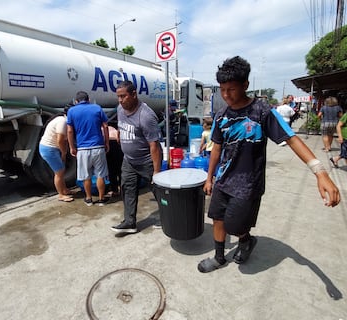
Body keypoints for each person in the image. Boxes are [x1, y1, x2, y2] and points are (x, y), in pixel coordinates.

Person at [197, 56, 340, 273]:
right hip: (224, 180)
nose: (226, 95)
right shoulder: (221, 115)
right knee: (217, 218)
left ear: (245, 85)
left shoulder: (261, 111)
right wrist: (210, 178)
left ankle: (246, 240)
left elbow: (291, 138)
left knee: (236, 226)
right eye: (222, 89)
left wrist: (319, 171)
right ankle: (219, 257)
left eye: (231, 89)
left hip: (248, 185)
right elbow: (216, 147)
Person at [110, 80, 162, 234]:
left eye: (123, 96)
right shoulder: (120, 108)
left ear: (133, 94)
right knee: (127, 190)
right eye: (118, 96)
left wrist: (157, 171)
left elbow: (155, 145)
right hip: (129, 160)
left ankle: (168, 217)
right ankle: (129, 222)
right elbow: (121, 124)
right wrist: (120, 134)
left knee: (159, 191)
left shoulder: (146, 116)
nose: (120, 100)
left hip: (147, 161)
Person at [67, 91, 110, 206]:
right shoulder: (97, 108)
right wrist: (107, 142)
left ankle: (89, 198)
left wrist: (72, 146)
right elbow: (105, 126)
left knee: (86, 175)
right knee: (100, 174)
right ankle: (101, 199)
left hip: (82, 149)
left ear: (76, 101)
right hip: (98, 147)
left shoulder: (72, 111)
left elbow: (70, 131)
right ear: (88, 99)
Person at [38, 105, 74, 202]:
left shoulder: (64, 120)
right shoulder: (62, 122)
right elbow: (60, 140)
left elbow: (65, 141)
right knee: (59, 172)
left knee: (61, 170)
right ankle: (61, 194)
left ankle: (64, 190)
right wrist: (63, 152)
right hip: (49, 149)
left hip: (53, 148)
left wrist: (64, 152)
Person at [106, 125, 123, 197]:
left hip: (110, 143)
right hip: (117, 143)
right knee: (120, 169)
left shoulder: (102, 127)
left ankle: (115, 190)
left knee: (111, 169)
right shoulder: (114, 128)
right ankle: (123, 189)